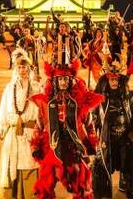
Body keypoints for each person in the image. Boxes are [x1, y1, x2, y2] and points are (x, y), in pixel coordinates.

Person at [29, 62, 103, 199]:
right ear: (55, 82)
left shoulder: (79, 102)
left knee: (82, 185)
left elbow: (89, 124)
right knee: (45, 186)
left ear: (70, 81)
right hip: (52, 146)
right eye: (60, 79)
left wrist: (92, 142)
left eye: (65, 79)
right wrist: (35, 145)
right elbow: (38, 126)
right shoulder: (46, 103)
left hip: (73, 147)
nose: (63, 82)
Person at [93, 62, 133, 199]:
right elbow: (94, 116)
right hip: (106, 138)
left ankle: (130, 192)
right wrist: (94, 130)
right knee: (102, 167)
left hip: (125, 138)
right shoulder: (100, 98)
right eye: (111, 79)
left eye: (116, 79)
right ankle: (104, 194)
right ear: (107, 80)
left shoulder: (128, 95)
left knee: (128, 167)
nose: (114, 82)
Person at [0, 53, 42, 199]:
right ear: (16, 68)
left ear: (29, 68)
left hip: (30, 133)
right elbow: (4, 108)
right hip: (13, 133)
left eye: (25, 67)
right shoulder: (9, 88)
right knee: (11, 165)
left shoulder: (36, 88)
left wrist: (42, 131)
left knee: (29, 163)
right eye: (20, 67)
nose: (23, 70)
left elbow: (42, 111)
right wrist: (2, 126)